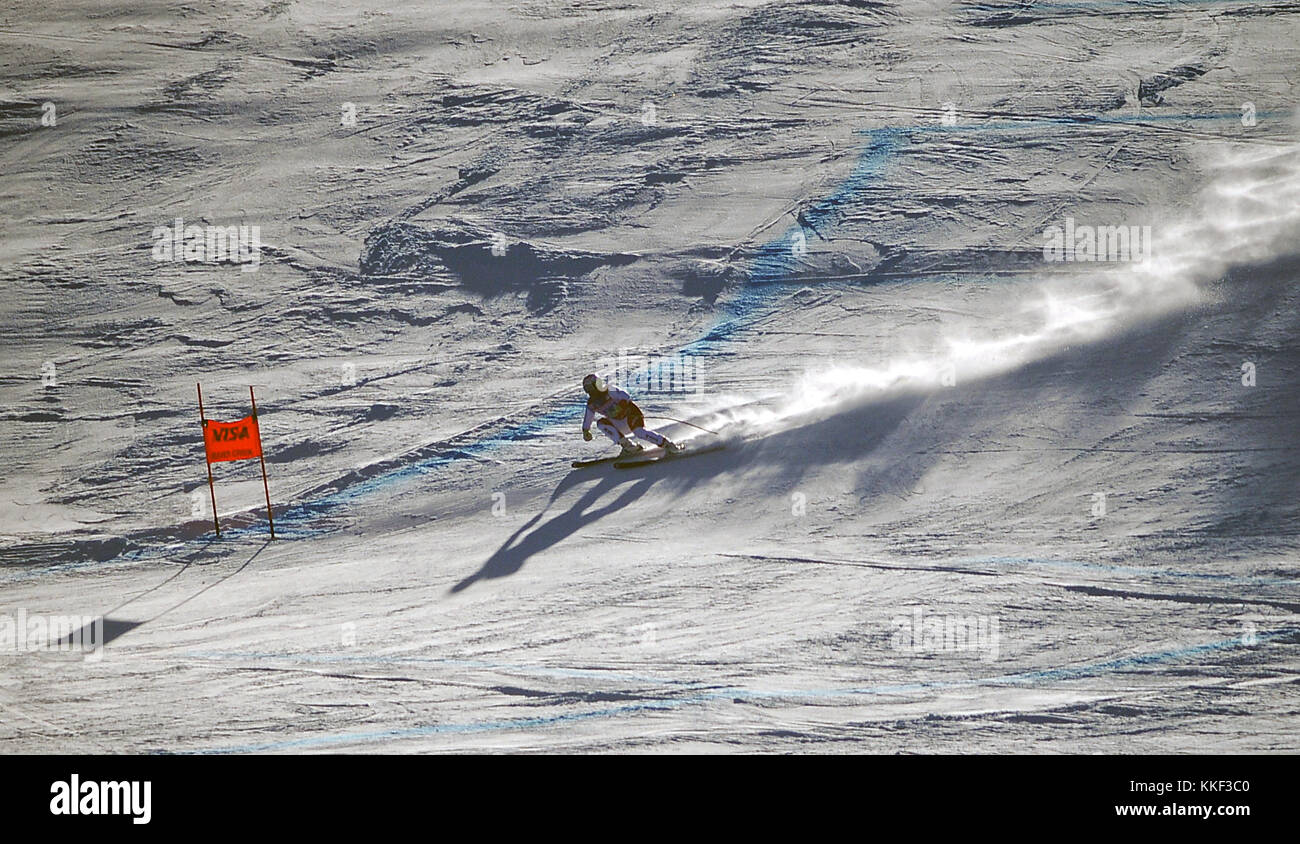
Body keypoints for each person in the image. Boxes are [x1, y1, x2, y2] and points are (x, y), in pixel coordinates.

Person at [581, 374, 681, 457]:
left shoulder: (610, 390)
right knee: (601, 423)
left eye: (590, 388)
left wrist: (622, 404)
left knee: (639, 432)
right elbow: (588, 417)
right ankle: (629, 446)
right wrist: (586, 430)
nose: (590, 391)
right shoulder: (592, 403)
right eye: (587, 389)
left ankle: (667, 444)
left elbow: (625, 396)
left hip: (631, 415)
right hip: (619, 422)